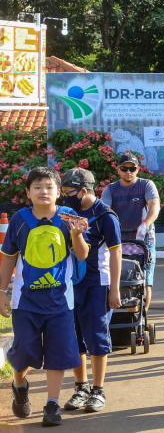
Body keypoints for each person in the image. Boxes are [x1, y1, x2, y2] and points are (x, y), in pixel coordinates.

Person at [0, 167, 90, 426]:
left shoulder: (68, 217)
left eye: (49, 187)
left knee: (58, 352)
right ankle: (19, 386)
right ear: (28, 192)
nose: (43, 191)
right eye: (37, 186)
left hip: (60, 301)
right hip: (25, 301)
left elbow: (82, 254)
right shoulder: (19, 219)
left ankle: (52, 403)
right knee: (24, 350)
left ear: (58, 192)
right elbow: (8, 257)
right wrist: (2, 292)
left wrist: (77, 235)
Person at [59, 169, 122, 414]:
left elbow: (116, 253)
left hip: (99, 283)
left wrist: (114, 289)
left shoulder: (105, 215)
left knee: (96, 336)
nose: (65, 197)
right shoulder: (66, 213)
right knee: (74, 336)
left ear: (83, 191)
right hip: (71, 283)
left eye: (68, 192)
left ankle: (98, 390)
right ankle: (81, 387)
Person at [101, 153, 160, 311]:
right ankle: (125, 314)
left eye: (132, 169)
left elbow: (154, 205)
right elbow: (104, 211)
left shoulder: (146, 185)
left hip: (143, 242)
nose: (128, 172)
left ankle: (142, 317)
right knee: (122, 280)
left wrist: (146, 223)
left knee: (145, 281)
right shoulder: (110, 189)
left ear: (138, 169)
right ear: (118, 170)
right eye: (124, 168)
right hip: (118, 243)